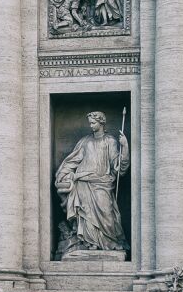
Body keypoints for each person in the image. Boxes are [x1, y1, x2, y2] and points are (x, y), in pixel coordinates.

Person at [54, 110, 131, 257]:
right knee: (86, 214)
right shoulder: (85, 141)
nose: (91, 125)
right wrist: (64, 173)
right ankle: (90, 243)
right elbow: (73, 160)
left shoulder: (110, 141)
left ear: (101, 122)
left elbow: (118, 165)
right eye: (89, 123)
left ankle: (109, 242)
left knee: (107, 213)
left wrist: (125, 147)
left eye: (93, 122)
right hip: (83, 183)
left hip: (102, 183)